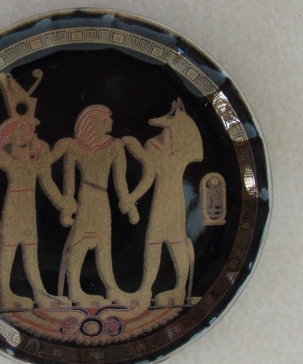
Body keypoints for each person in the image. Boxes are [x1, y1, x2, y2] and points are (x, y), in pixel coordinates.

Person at [51, 105, 138, 306]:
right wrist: (66, 205)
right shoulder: (75, 147)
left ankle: (112, 287)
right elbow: (69, 182)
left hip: (102, 198)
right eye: (107, 119)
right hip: (86, 197)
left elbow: (120, 181)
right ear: (94, 122)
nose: (112, 122)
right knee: (80, 241)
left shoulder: (114, 146)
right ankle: (74, 289)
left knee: (104, 242)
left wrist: (128, 204)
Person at [0, 115, 75, 310]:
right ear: (15, 132)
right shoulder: (8, 154)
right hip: (13, 204)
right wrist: (12, 142)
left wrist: (62, 202)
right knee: (9, 247)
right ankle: (5, 293)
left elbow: (47, 180)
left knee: (30, 248)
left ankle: (40, 292)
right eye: (25, 129)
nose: (31, 133)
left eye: (32, 129)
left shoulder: (38, 151)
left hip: (29, 205)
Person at [122, 98, 203, 307]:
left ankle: (180, 288)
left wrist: (183, 120)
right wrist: (133, 197)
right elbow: (148, 176)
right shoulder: (152, 145)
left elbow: (198, 151)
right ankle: (146, 288)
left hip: (176, 199)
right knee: (153, 242)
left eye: (172, 116)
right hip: (159, 200)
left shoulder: (184, 148)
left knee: (177, 242)